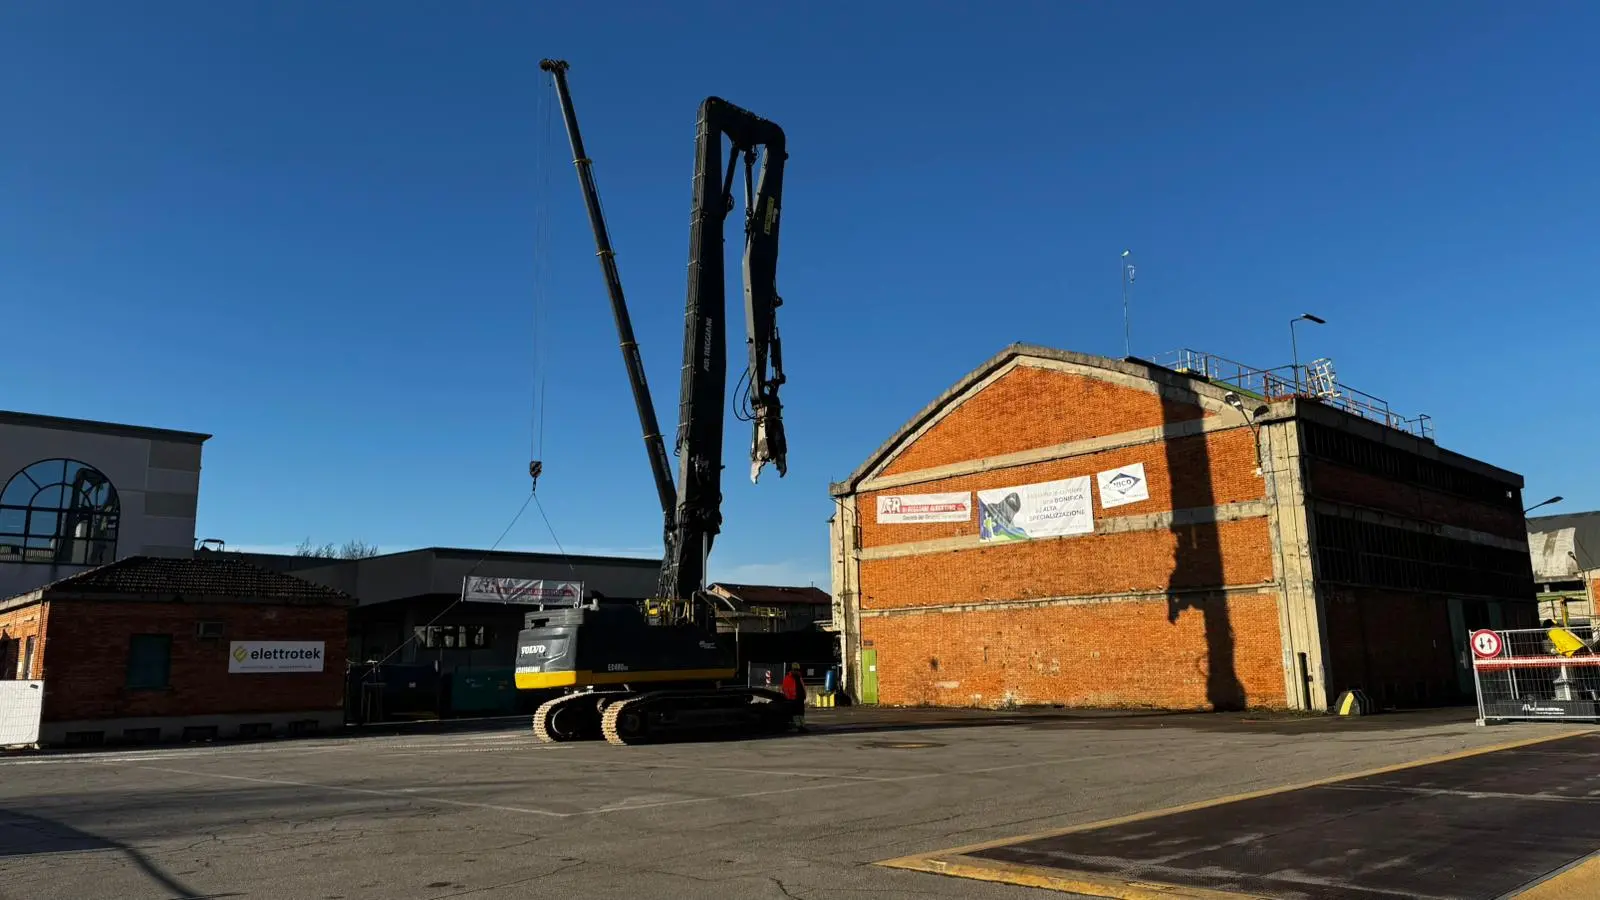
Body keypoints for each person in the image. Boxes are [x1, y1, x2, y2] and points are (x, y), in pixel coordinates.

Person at [781, 663, 808, 732]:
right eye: (796, 670)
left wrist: (804, 695)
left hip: (799, 698)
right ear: (792, 670)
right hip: (794, 698)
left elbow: (802, 687)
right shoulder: (790, 678)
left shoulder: (798, 677)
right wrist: (789, 696)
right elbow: (785, 688)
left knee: (800, 713)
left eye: (797, 670)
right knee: (797, 713)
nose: (797, 671)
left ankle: (802, 726)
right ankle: (800, 727)